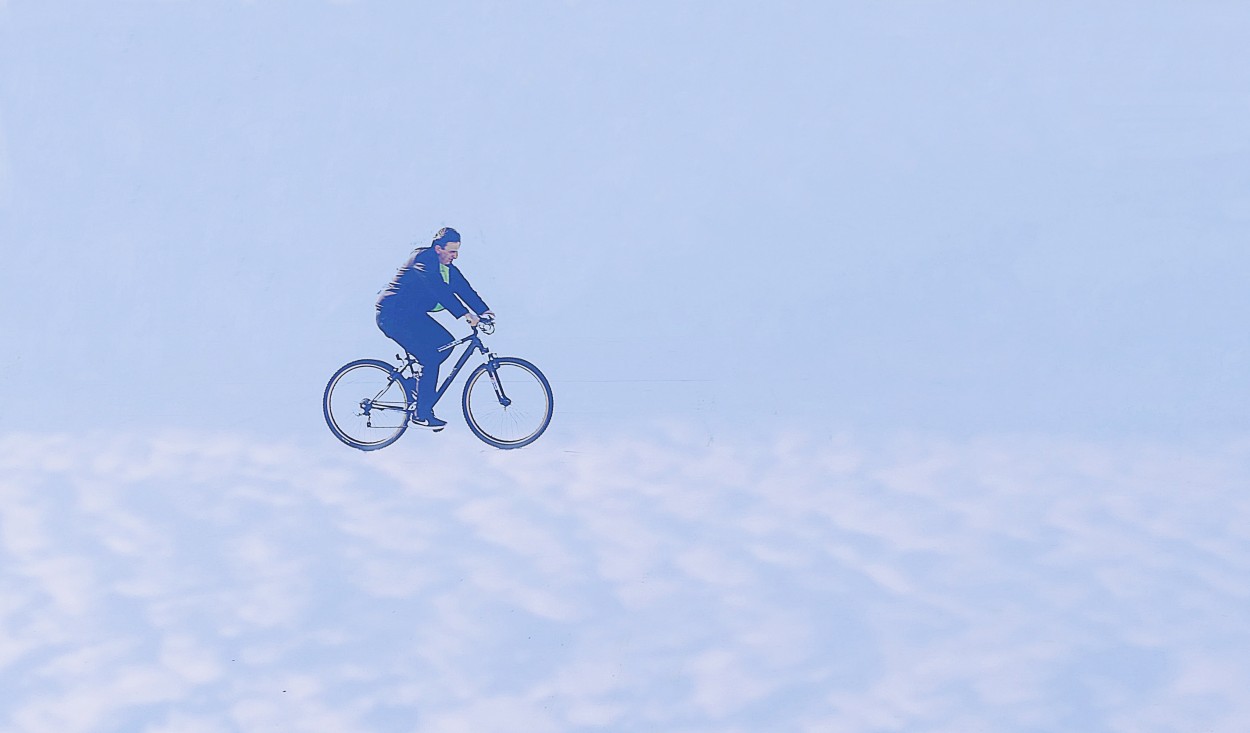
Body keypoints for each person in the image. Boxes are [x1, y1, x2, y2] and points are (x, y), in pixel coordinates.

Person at [376, 227, 494, 428]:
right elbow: (438, 290)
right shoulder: (423, 259)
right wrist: (465, 314)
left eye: (457, 252)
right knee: (430, 357)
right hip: (392, 315)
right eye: (451, 252)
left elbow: (464, 289)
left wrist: (485, 311)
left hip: (412, 316)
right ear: (438, 248)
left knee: (445, 344)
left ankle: (415, 386)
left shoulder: (448, 268)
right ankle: (422, 414)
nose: (455, 256)